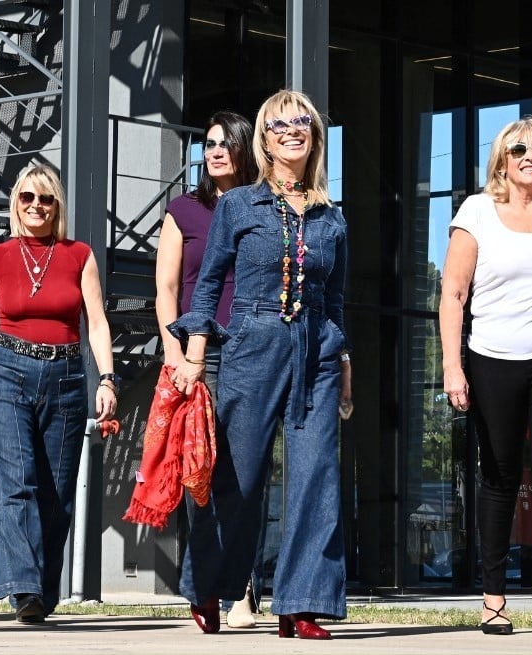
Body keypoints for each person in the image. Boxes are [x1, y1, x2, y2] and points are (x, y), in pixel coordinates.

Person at [170, 89, 351, 640]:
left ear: (315, 136)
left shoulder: (332, 218)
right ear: (266, 142)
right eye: (279, 123)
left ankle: (302, 604)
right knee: (239, 476)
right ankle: (208, 583)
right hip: (251, 342)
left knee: (317, 476)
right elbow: (206, 286)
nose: (292, 129)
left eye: (303, 121)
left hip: (318, 349)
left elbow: (337, 299)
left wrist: (344, 361)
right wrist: (196, 350)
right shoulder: (237, 206)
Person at [438, 117, 532, 639]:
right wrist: (453, 368)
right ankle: (494, 597)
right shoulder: (477, 211)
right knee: (500, 477)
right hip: (493, 357)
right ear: (502, 159)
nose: (531, 155)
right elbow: (454, 294)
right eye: (520, 148)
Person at [0, 163, 117, 624]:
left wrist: (107, 379)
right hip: (7, 374)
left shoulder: (78, 254)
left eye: (45, 199)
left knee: (57, 493)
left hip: (65, 376)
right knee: (16, 482)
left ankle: (42, 589)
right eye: (27, 197)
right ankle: (24, 589)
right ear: (15, 203)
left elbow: (96, 322)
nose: (36, 206)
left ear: (57, 205)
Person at [155, 111, 264, 632]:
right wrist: (174, 355)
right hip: (200, 359)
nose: (215, 151)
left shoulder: (261, 207)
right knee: (201, 473)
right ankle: (205, 588)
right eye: (209, 143)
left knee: (243, 476)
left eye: (226, 143)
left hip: (255, 352)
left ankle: (241, 587)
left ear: (244, 149)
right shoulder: (184, 210)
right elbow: (166, 291)